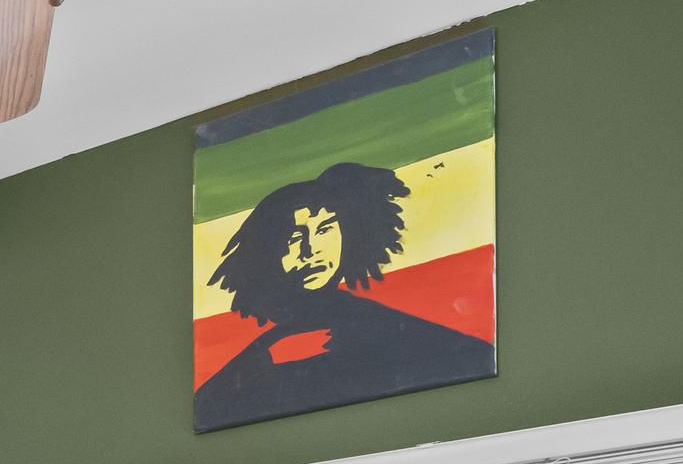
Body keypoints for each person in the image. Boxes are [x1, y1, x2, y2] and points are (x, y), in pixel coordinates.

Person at [193, 160, 493, 432]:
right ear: (266, 253)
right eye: (295, 238)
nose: (310, 251)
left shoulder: (396, 330)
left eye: (324, 229)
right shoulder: (249, 365)